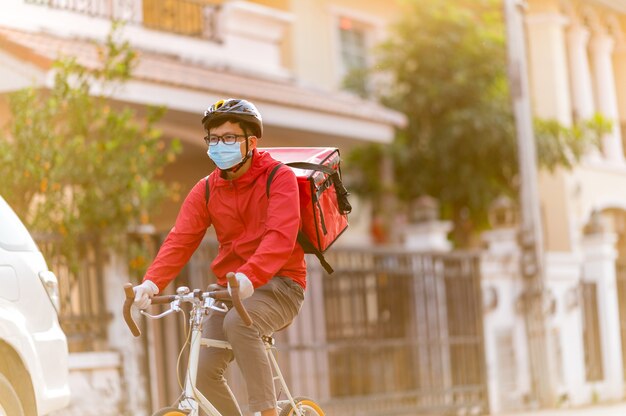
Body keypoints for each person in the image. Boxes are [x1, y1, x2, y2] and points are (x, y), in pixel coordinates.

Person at [132, 98, 306, 416]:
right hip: (230, 289)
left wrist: (250, 276)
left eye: (228, 138)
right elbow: (180, 239)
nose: (218, 145)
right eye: (213, 139)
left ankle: (266, 412)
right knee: (198, 365)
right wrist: (151, 283)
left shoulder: (278, 178)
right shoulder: (207, 189)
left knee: (241, 322)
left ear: (251, 142)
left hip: (281, 284)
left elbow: (280, 238)